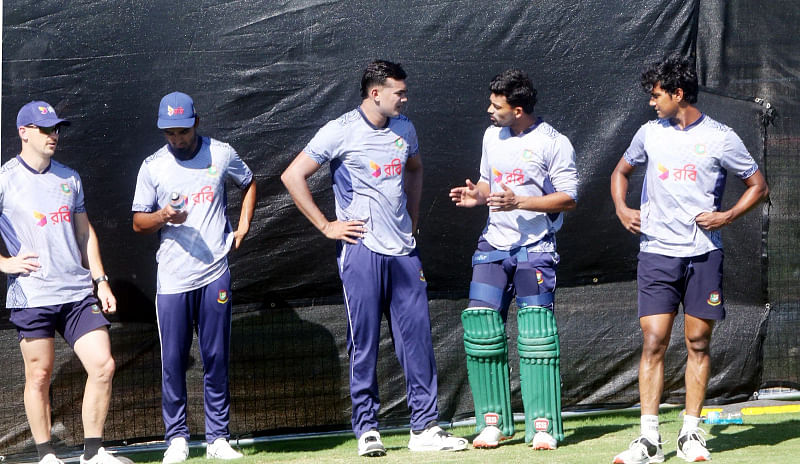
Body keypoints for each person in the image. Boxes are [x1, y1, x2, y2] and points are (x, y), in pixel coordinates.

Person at [281, 60, 467, 457]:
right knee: (363, 341)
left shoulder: (405, 128)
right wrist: (327, 226)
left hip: (403, 253)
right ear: (375, 93)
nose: (405, 98)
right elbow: (292, 176)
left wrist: (413, 219)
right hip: (360, 252)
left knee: (416, 340)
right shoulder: (340, 130)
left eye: (404, 92)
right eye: (399, 92)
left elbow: (415, 169)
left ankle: (425, 429)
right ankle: (367, 429)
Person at [610, 54, 769, 463]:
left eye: (657, 95)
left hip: (703, 256)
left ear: (678, 94)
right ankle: (648, 440)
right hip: (657, 254)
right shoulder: (649, 133)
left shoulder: (721, 137)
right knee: (653, 340)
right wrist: (622, 209)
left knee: (698, 342)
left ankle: (690, 434)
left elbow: (758, 186)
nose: (652, 102)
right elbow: (620, 173)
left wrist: (728, 215)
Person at [449, 69, 578, 451]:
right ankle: (494, 423)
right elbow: (489, 183)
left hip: (535, 248)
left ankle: (543, 426)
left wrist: (519, 201)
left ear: (518, 109)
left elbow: (568, 198)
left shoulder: (555, 143)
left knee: (536, 334)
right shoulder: (492, 135)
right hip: (493, 245)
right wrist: (478, 196)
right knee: (481, 328)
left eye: (496, 105)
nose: (489, 110)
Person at [132, 92, 257, 463]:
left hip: (215, 272)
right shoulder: (152, 166)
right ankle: (177, 439)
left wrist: (244, 226)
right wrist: (161, 217)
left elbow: (249, 183)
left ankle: (218, 437)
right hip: (172, 279)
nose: (176, 139)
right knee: (173, 359)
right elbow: (138, 221)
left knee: (215, 355)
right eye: (169, 132)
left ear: (196, 123)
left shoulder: (221, 153)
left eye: (182, 131)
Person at [0, 101, 123, 464]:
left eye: (56, 129)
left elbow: (85, 233)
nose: (54, 135)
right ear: (24, 133)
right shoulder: (5, 179)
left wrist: (101, 281)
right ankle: (46, 456)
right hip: (32, 295)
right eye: (45, 129)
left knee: (104, 365)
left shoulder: (69, 177)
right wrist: (5, 263)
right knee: (39, 375)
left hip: (77, 293)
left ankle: (93, 452)